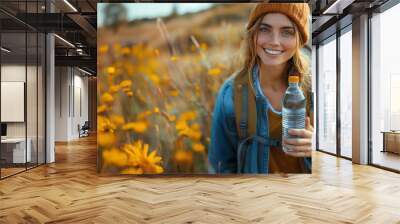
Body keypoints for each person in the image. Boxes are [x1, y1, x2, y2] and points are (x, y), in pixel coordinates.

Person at [208, 3, 313, 174]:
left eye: (287, 32)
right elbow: (221, 167)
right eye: (265, 29)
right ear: (253, 34)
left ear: (299, 40)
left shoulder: (316, 88)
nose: (274, 41)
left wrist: (318, 148)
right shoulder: (231, 94)